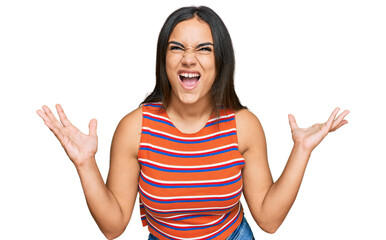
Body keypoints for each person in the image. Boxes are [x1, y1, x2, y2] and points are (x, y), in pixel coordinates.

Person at [36, 6, 349, 240]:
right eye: (177, 48)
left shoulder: (244, 126)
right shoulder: (135, 128)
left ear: (220, 61)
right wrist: (85, 164)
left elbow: (268, 219)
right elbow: (114, 226)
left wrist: (302, 149)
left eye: (204, 49)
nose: (189, 58)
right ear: (164, 60)